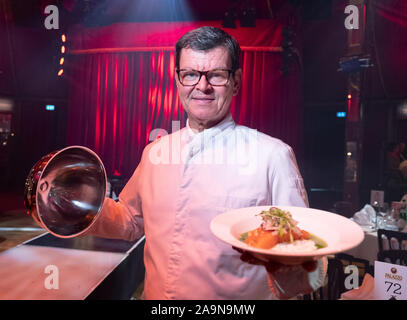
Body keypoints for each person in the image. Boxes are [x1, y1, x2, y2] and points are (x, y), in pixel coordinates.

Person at [87, 26, 327, 299]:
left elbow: (307, 258)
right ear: (178, 81)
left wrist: (292, 272)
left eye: (216, 75)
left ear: (236, 81)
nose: (202, 86)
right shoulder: (156, 152)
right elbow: (129, 222)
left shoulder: (273, 156)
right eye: (190, 74)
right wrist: (81, 207)